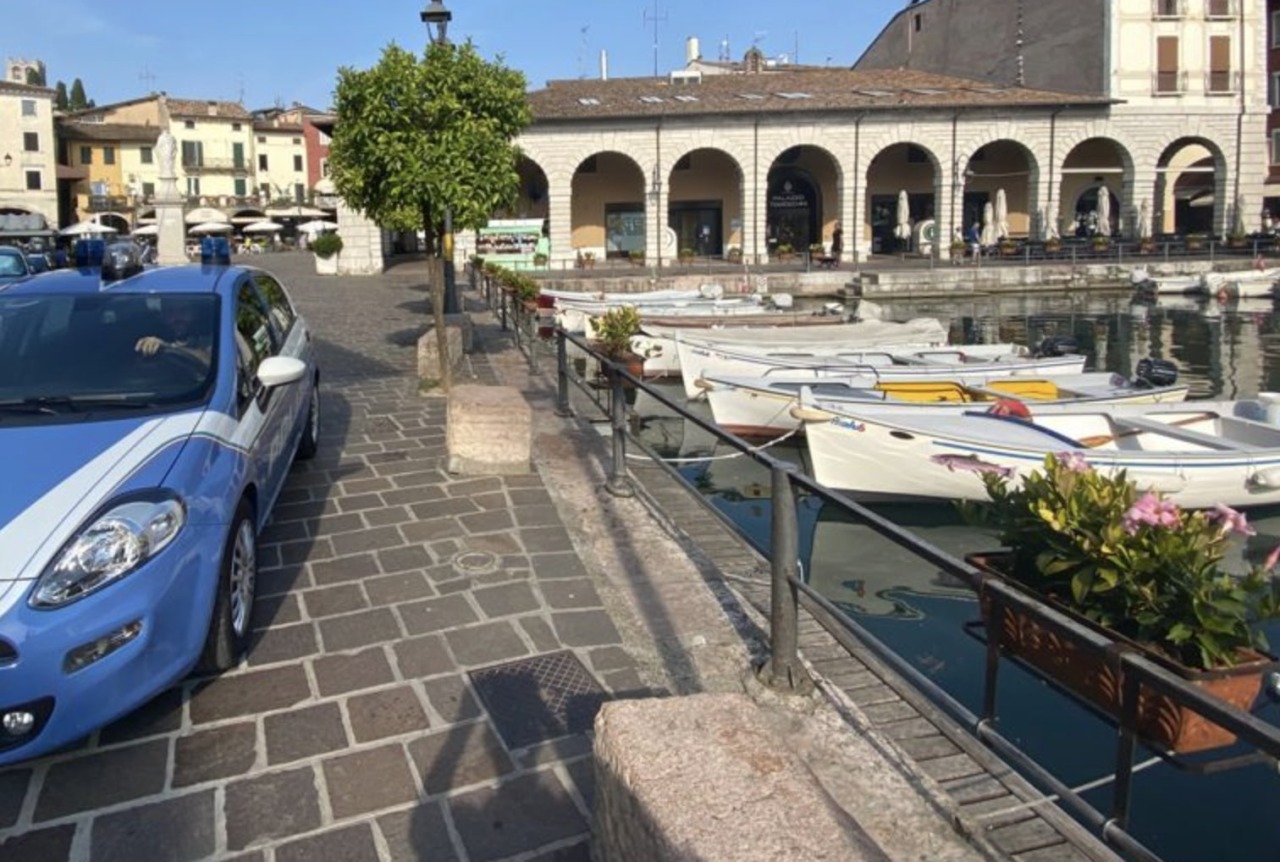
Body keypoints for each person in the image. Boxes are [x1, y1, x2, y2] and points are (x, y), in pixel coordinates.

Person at [135, 296, 213, 363]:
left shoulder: (212, 336)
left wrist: (168, 348)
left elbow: (210, 361)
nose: (177, 318)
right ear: (162, 316)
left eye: (183, 310)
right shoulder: (149, 336)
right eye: (170, 311)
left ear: (194, 313)